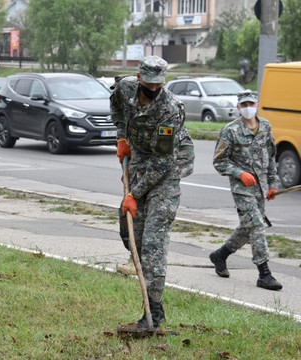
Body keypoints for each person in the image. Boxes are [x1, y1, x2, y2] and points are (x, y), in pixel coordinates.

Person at [110, 56, 195, 330]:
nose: (153, 90)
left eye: (159, 85)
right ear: (138, 77)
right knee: (129, 231)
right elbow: (116, 109)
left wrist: (133, 194)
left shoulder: (171, 109)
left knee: (153, 243)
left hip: (168, 169)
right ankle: (149, 285)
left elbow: (163, 162)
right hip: (138, 161)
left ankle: (154, 315)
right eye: (149, 84)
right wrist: (122, 138)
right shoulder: (124, 88)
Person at [209, 90, 282, 291]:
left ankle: (220, 255)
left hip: (260, 188)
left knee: (247, 227)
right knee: (257, 225)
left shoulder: (266, 126)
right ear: (238, 107)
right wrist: (239, 173)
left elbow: (271, 159)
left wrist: (273, 184)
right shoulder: (230, 131)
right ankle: (264, 273)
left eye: (251, 103)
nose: (247, 107)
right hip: (242, 188)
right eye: (243, 104)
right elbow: (219, 161)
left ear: (257, 105)